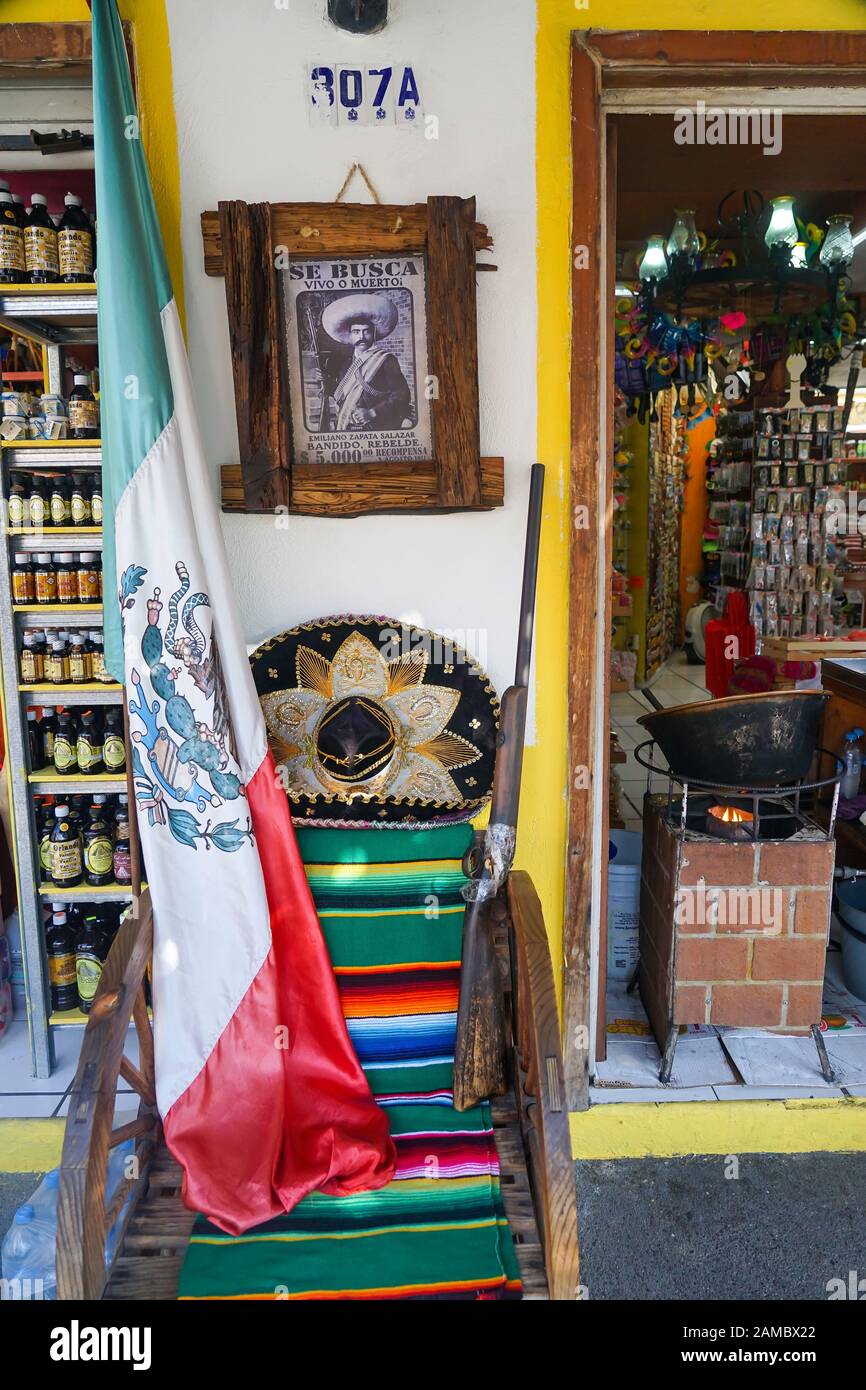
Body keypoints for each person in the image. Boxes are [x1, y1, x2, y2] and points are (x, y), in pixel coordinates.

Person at [318, 292, 413, 432]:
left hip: (378, 427)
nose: (361, 337)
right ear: (349, 335)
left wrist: (372, 413)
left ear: (373, 334)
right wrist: (325, 382)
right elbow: (342, 393)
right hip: (348, 426)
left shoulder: (386, 360)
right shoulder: (347, 363)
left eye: (366, 331)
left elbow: (402, 396)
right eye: (356, 332)